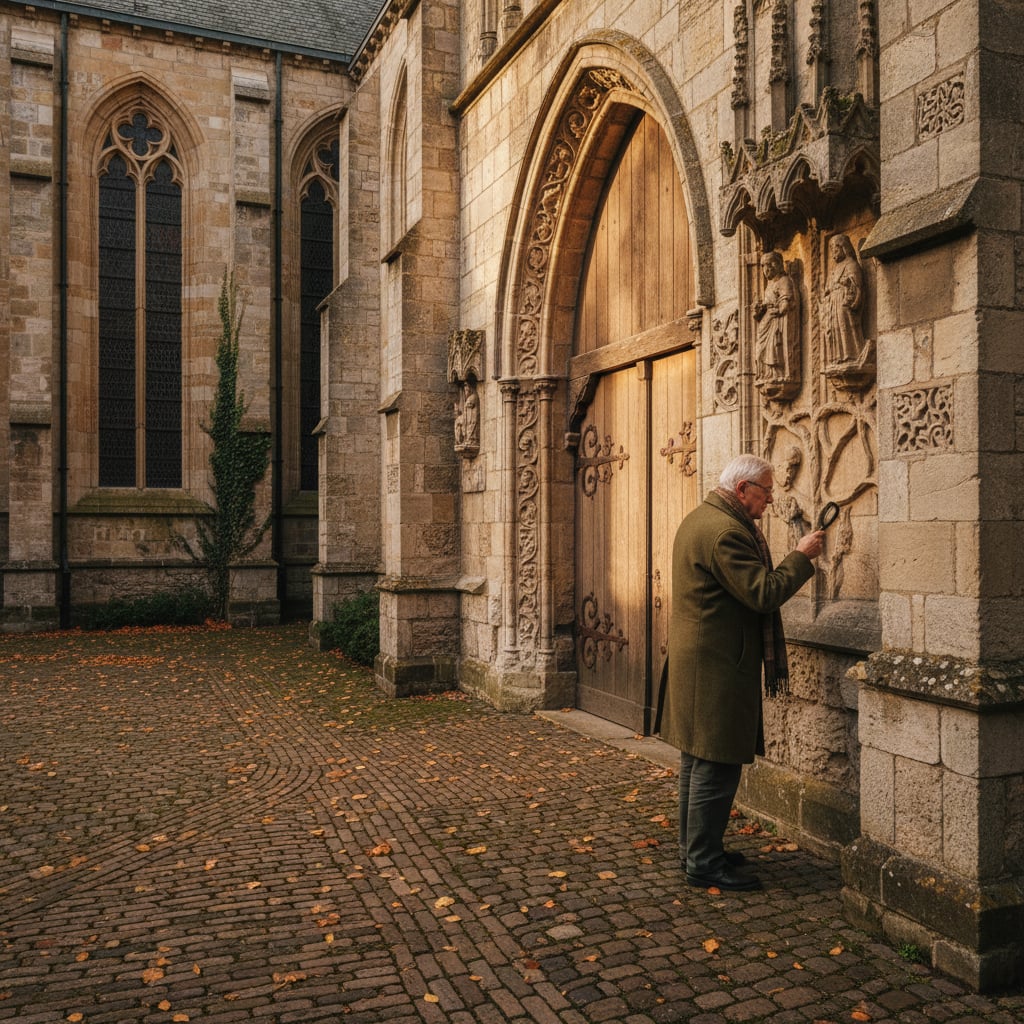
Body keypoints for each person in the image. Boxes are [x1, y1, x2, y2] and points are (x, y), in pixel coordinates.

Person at [658, 454, 823, 891]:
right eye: (765, 491)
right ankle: (703, 864)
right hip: (715, 667)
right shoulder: (726, 533)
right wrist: (801, 556)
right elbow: (763, 593)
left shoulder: (704, 518)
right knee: (716, 765)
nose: (770, 500)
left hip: (703, 663)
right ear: (741, 489)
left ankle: (697, 850)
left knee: (698, 763)